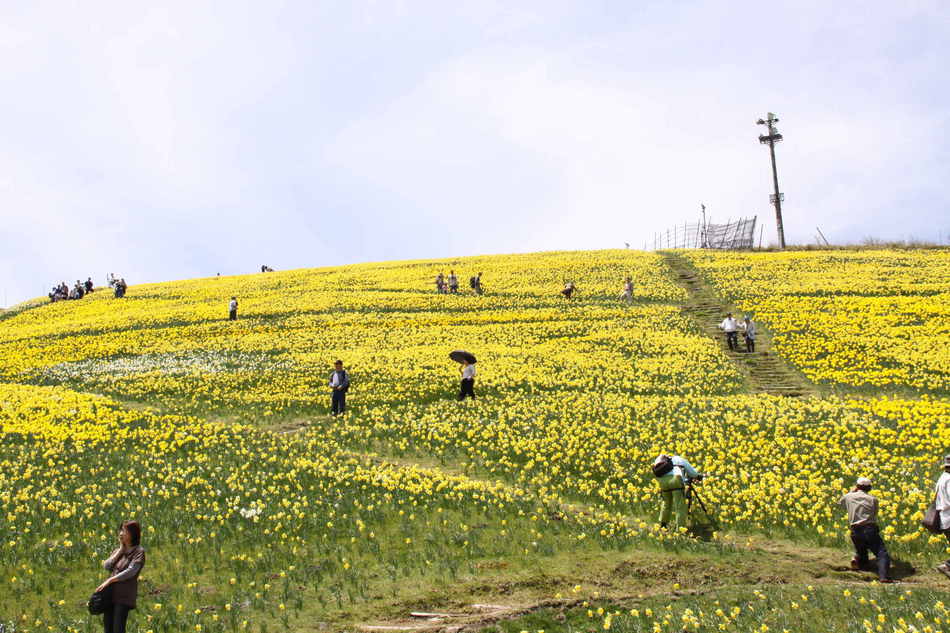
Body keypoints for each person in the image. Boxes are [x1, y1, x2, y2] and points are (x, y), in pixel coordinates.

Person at [839, 477, 893, 582]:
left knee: (862, 551)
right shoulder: (873, 499)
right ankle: (884, 577)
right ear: (869, 488)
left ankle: (861, 564)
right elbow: (874, 514)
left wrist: (851, 492)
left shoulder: (848, 497)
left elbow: (840, 504)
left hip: (855, 530)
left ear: (857, 486)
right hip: (869, 529)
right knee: (881, 553)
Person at [97, 520, 145, 633]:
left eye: (125, 531)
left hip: (124, 597)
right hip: (111, 595)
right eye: (121, 530)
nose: (121, 533)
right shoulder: (118, 551)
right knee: (108, 629)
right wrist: (119, 551)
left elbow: (131, 571)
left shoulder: (139, 552)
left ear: (133, 534)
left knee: (118, 629)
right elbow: (106, 566)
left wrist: (110, 580)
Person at [652, 454, 701, 529]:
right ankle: (680, 529)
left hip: (663, 481)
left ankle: (663, 525)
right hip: (675, 480)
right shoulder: (680, 459)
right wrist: (698, 476)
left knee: (666, 503)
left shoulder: (660, 459)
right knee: (680, 506)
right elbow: (692, 473)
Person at [935, 456, 950, 579]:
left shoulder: (942, 478)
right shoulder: (949, 480)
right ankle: (946, 566)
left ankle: (947, 566)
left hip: (945, 518)